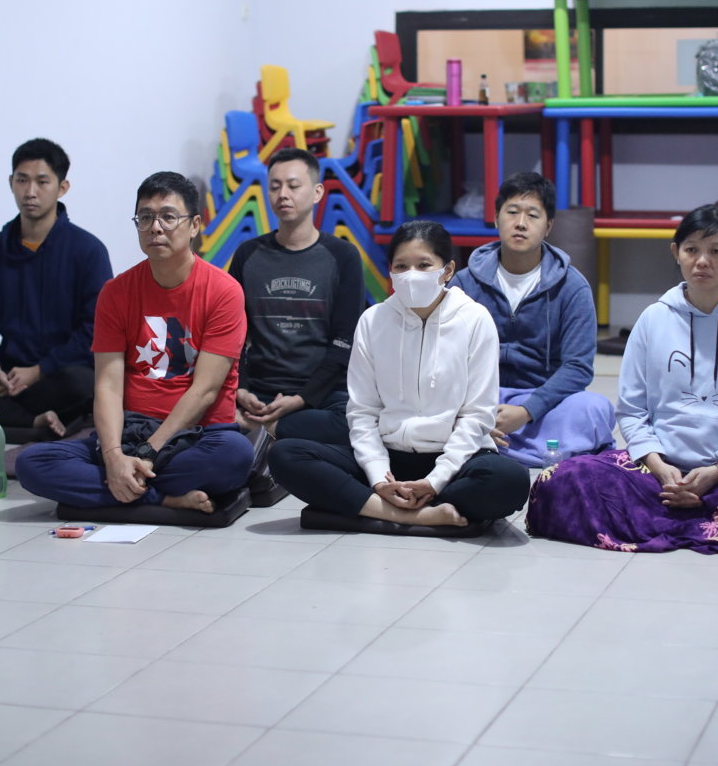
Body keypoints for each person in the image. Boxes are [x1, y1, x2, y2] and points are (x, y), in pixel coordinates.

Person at [527, 204, 718, 554]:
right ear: (676, 252)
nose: (703, 261)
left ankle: (664, 520)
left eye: (716, 251)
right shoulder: (653, 319)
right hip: (656, 476)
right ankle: (710, 524)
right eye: (692, 249)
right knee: (559, 482)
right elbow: (632, 412)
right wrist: (659, 467)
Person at [15, 172, 253, 514]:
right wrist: (114, 456)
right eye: (145, 217)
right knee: (32, 463)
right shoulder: (115, 292)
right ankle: (162, 497)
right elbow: (108, 385)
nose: (155, 227)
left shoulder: (224, 291)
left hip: (199, 435)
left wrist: (148, 452)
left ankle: (120, 487)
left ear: (195, 225)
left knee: (234, 457)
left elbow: (205, 391)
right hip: (131, 429)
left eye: (168, 217)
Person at [269, 221, 530, 529]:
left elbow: (477, 415)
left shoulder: (475, 320)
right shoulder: (373, 320)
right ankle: (415, 514)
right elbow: (363, 411)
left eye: (424, 265)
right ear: (390, 271)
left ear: (447, 270)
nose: (411, 275)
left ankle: (374, 506)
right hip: (388, 457)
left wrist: (435, 481)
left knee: (510, 480)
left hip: (452, 460)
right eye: (401, 266)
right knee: (285, 454)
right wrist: (378, 477)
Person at [0, 138, 112, 439]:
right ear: (11, 182)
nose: (30, 191)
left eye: (42, 182)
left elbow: (94, 329)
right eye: (22, 180)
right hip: (8, 371)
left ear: (62, 188)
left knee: (84, 384)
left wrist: (39, 370)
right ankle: (32, 421)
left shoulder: (88, 251)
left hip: (61, 373)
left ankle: (3, 417)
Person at [450, 170, 616, 466]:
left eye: (533, 215)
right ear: (496, 218)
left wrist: (527, 411)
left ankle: (485, 446)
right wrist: (473, 411)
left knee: (594, 409)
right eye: (512, 212)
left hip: (542, 402)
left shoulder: (572, 286)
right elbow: (445, 355)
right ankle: (508, 443)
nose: (521, 223)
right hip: (478, 400)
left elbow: (578, 367)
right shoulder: (464, 282)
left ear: (548, 226)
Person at [227, 147, 364, 448]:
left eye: (293, 185)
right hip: (258, 389)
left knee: (358, 425)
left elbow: (345, 341)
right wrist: (240, 389)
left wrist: (302, 399)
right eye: (274, 187)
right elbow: (232, 334)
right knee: (196, 411)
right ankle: (271, 431)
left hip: (321, 392)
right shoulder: (248, 255)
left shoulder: (343, 256)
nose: (282, 195)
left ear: (317, 192)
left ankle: (268, 428)